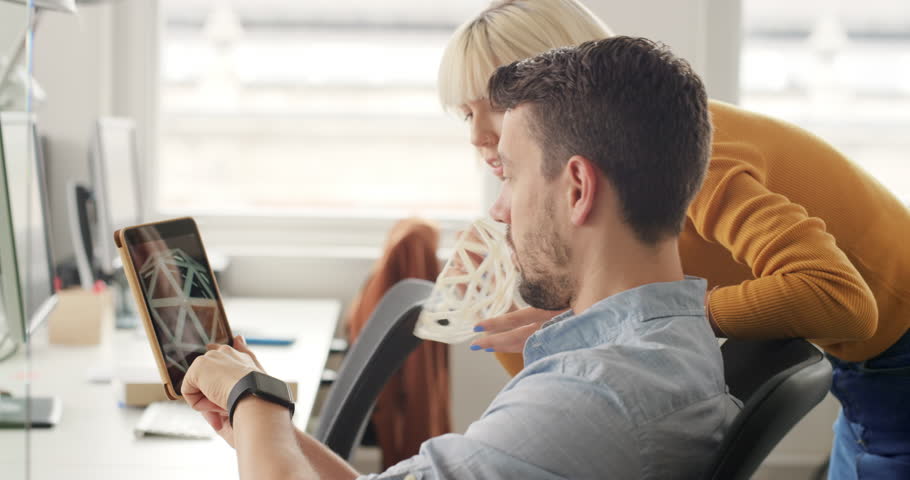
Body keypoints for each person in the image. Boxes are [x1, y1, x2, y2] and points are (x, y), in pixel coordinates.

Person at [182, 36, 741, 479]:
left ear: (577, 189)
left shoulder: (590, 399)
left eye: (511, 176)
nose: (499, 211)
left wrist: (252, 400)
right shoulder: (660, 351)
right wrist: (259, 420)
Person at [443, 1, 910, 478]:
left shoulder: (684, 158)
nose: (480, 136)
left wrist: (675, 313)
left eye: (499, 106)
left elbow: (841, 298)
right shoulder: (606, 185)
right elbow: (556, 391)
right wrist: (503, 302)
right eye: (466, 114)